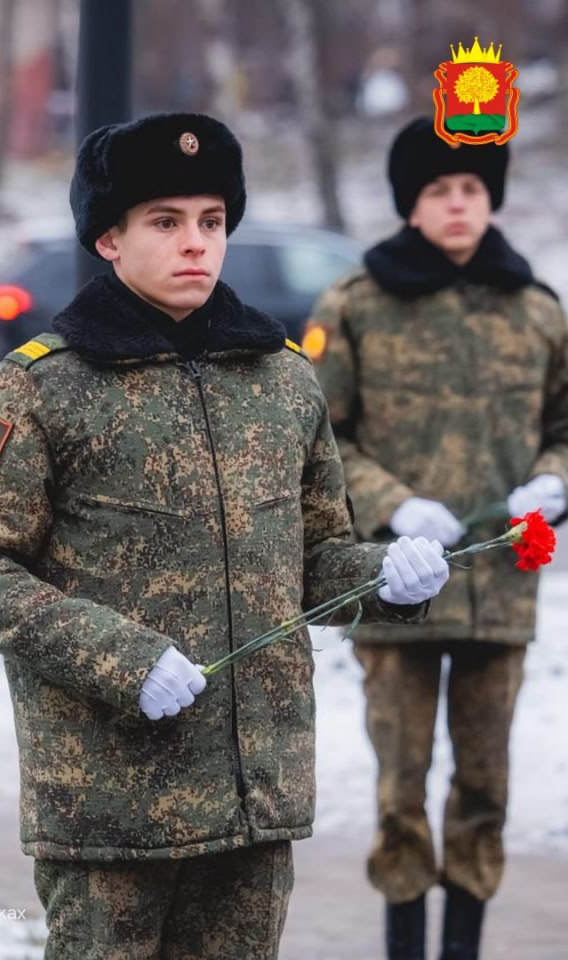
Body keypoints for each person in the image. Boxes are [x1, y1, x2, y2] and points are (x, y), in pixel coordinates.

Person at [0, 112, 451, 959]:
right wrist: (121, 659)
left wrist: (388, 577)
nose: (196, 244)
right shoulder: (43, 389)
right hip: (111, 807)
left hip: (252, 799)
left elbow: (314, 563)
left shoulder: (282, 380)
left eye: (211, 222)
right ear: (108, 239)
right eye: (165, 223)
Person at [302, 116, 568, 960]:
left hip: (500, 594)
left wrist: (555, 482)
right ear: (409, 205)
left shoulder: (535, 310)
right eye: (438, 191)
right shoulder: (357, 305)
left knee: (485, 784)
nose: (458, 205)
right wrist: (390, 503)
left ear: (490, 200)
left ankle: (465, 948)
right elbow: (319, 435)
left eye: (472, 190)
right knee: (401, 786)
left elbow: (567, 423)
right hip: (394, 589)